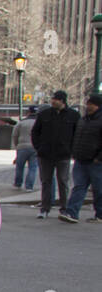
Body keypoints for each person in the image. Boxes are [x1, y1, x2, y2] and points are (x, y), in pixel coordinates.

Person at [32, 90, 79, 219]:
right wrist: (39, 148)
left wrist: (71, 151)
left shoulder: (73, 115)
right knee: (46, 181)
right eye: (52, 99)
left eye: (55, 99)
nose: (53, 101)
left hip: (63, 155)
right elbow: (35, 132)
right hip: (45, 154)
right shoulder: (44, 114)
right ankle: (45, 208)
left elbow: (77, 135)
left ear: (62, 101)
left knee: (63, 181)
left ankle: (64, 208)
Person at [63, 92, 102, 223]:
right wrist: (75, 153)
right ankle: (72, 213)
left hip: (96, 161)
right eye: (88, 103)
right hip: (81, 159)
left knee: (99, 189)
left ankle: (100, 215)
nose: (88, 106)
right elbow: (76, 137)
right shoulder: (83, 119)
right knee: (79, 186)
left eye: (92, 104)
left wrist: (99, 158)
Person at [11, 107, 39, 193]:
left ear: (28, 112)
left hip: (22, 147)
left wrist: (17, 145)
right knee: (32, 168)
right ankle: (29, 186)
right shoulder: (38, 123)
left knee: (19, 167)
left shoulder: (21, 123)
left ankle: (17, 184)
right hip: (34, 147)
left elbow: (15, 135)